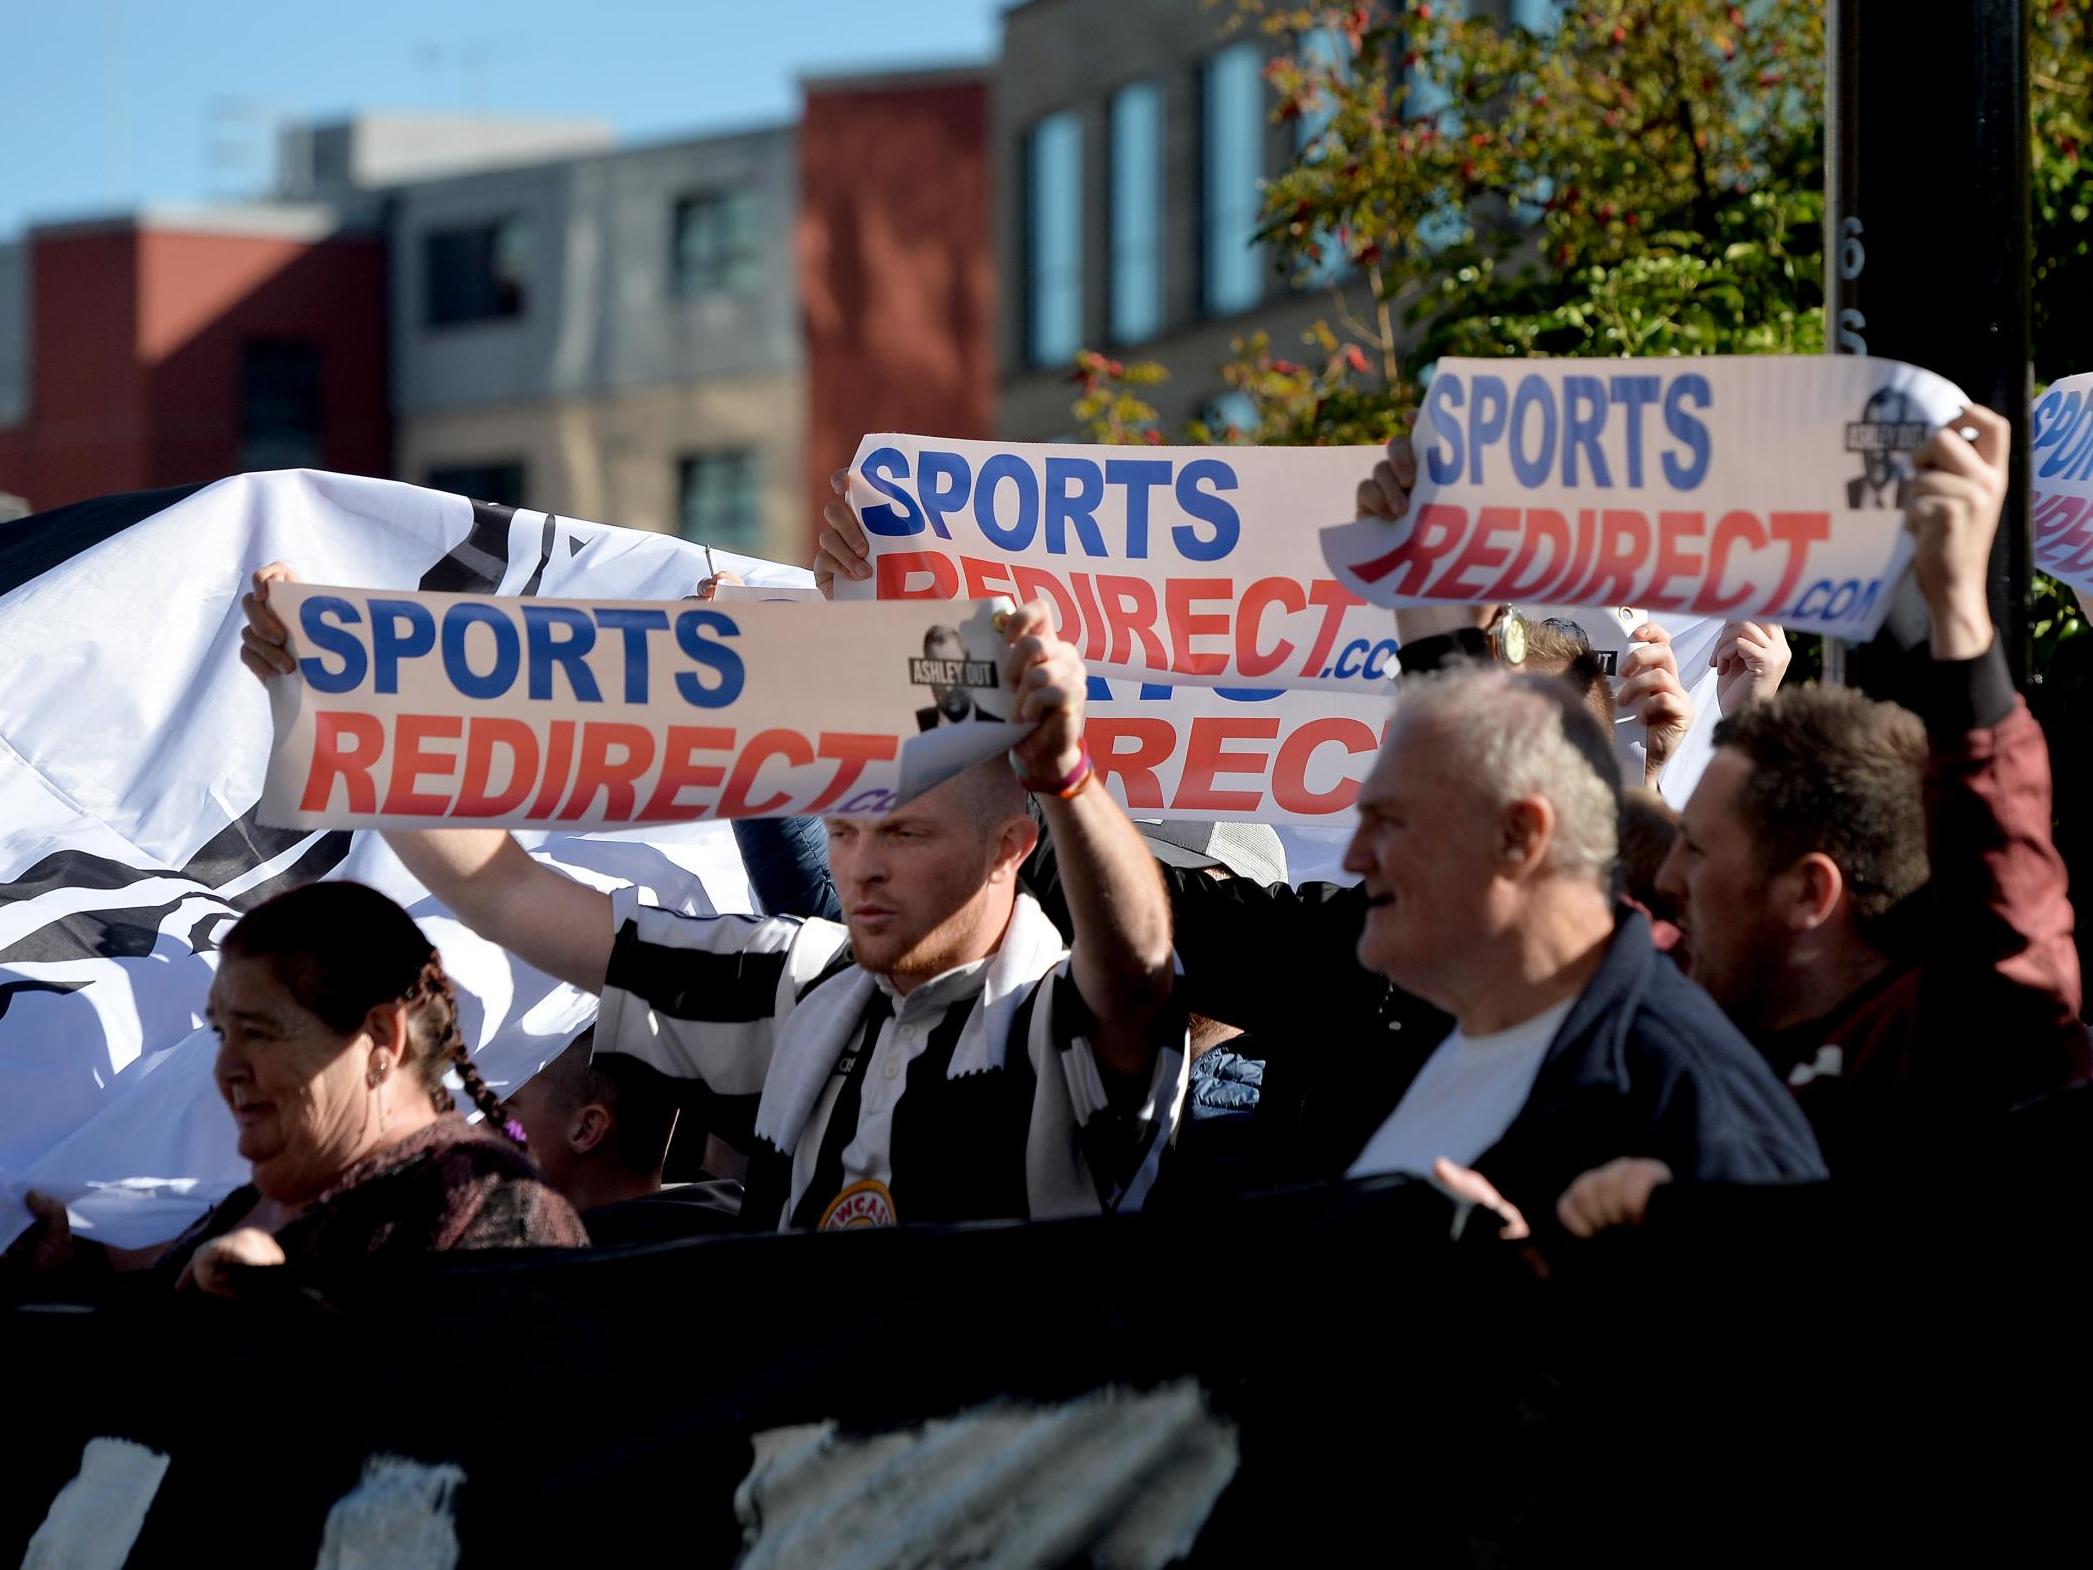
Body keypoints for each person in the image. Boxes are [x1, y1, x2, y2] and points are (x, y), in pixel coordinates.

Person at [243, 575, 1183, 1232]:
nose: (860, 868)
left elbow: (1137, 967)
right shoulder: (802, 983)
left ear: (1009, 849)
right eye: (846, 833)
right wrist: (339, 708)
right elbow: (508, 890)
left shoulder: (1052, 1017)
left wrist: (1066, 778)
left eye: (904, 836)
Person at [1654, 404, 2089, 1175]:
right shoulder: (1682, 1018)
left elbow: (2000, 884)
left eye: (1692, 846)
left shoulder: (1954, 1062)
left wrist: (1956, 607)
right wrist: (1446, 618)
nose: (1663, 878)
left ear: (1808, 895)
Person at [10, 881, 587, 1294]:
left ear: (381, 1037)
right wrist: (61, 1274)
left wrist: (282, 1315)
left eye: (258, 1034)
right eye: (221, 1034)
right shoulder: (262, 1201)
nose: (226, 1069)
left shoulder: (496, 1208)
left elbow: (517, 1435)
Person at [502, 1027, 745, 1243]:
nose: (475, 1126)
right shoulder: (751, 1236)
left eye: (499, 1107)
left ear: (586, 1129)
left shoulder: (557, 1279)